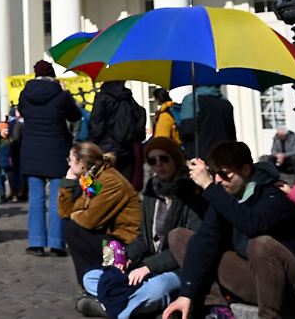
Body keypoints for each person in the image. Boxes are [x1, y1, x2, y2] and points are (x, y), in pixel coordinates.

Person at [163, 142, 295, 319]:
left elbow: (253, 225)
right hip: (258, 283)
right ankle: (217, 308)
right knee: (180, 237)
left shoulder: (273, 193)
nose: (218, 180)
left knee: (261, 243)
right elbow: (205, 241)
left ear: (246, 170)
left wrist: (209, 187)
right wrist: (186, 293)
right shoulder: (227, 196)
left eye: (224, 174)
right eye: (215, 174)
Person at [77, 137, 204, 318]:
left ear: (175, 159)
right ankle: (129, 303)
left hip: (177, 267)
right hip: (145, 261)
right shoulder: (152, 188)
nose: (159, 165)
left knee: (156, 288)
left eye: (164, 159)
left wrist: (148, 267)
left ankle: (112, 309)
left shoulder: (192, 192)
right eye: (153, 161)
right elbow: (144, 238)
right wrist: (127, 257)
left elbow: (188, 247)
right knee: (90, 277)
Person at [19, 59, 81, 256]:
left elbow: (23, 112)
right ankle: (56, 243)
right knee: (56, 198)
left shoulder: (25, 94)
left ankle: (36, 242)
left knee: (35, 198)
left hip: (31, 151)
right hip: (56, 150)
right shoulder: (60, 95)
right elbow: (75, 116)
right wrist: (64, 94)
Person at [59, 142, 142, 290]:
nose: (69, 163)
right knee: (70, 227)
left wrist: (75, 214)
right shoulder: (96, 179)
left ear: (82, 163)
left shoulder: (110, 181)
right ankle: (90, 281)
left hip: (126, 242)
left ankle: (101, 280)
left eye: (70, 160)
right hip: (110, 235)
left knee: (74, 228)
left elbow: (90, 220)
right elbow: (68, 211)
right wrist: (69, 182)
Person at [88, 81, 146, 189]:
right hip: (126, 150)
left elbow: (96, 125)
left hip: (105, 150)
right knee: (125, 188)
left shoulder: (102, 97)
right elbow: (139, 117)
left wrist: (91, 144)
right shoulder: (128, 98)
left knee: (99, 188)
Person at [176, 85, 236, 160]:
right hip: (225, 157)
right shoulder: (226, 102)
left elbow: (187, 130)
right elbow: (231, 134)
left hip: (200, 157)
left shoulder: (192, 99)